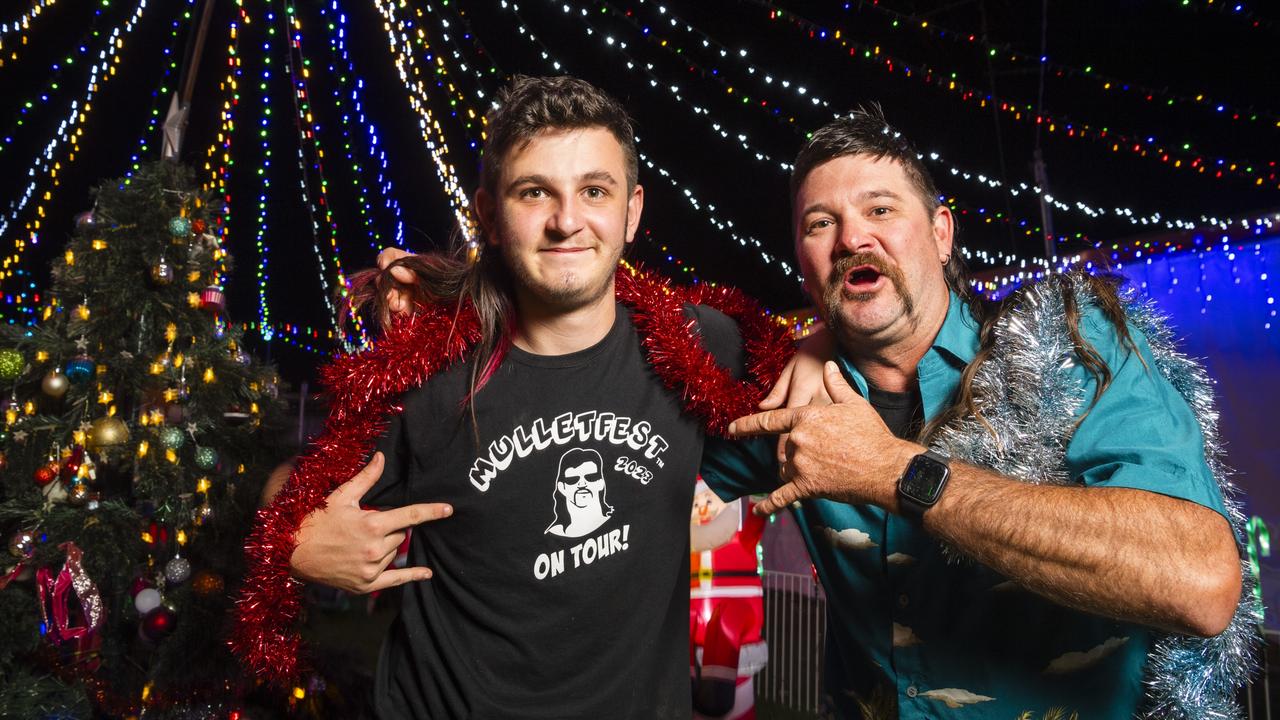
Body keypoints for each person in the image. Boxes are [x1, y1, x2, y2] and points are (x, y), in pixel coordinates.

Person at [232, 75, 792, 719]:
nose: (567, 220)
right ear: (489, 216)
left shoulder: (703, 345)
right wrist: (294, 536)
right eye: (535, 192)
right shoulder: (424, 371)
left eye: (594, 190)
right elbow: (294, 484)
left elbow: (830, 363)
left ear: (632, 212)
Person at [701, 107, 1255, 718]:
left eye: (880, 210)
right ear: (803, 265)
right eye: (819, 223)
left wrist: (894, 471)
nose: (852, 238)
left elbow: (1200, 584)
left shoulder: (1071, 351)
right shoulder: (787, 398)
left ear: (942, 234)